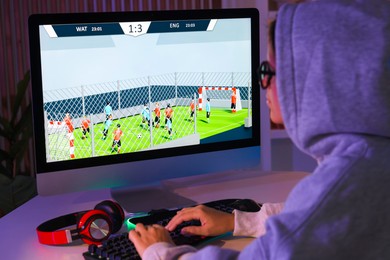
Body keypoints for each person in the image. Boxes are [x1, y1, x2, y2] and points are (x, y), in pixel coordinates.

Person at [129, 0, 390, 259]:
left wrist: (161, 251)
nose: (263, 85)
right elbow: (302, 219)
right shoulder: (371, 160)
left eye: (267, 71)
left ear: (313, 79)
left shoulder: (345, 182)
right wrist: (237, 221)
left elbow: (307, 221)